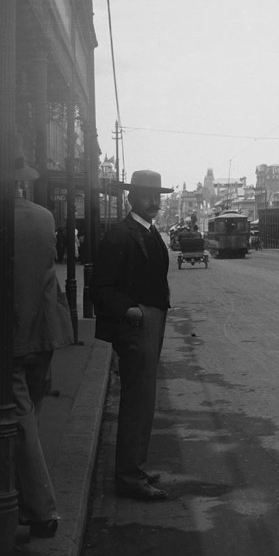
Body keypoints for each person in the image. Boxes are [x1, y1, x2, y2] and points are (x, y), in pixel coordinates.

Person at [0, 158, 74, 538]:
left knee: (17, 423)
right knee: (27, 420)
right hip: (45, 332)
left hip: (7, 336)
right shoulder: (45, 217)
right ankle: (20, 499)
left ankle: (42, 512)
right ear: (22, 183)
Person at [91, 169, 173, 502]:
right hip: (136, 325)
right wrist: (130, 310)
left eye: (158, 196)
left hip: (152, 322)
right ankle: (128, 476)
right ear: (131, 198)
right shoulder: (120, 236)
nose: (154, 202)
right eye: (146, 196)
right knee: (137, 403)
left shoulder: (150, 232)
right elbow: (102, 288)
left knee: (144, 401)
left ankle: (134, 467)